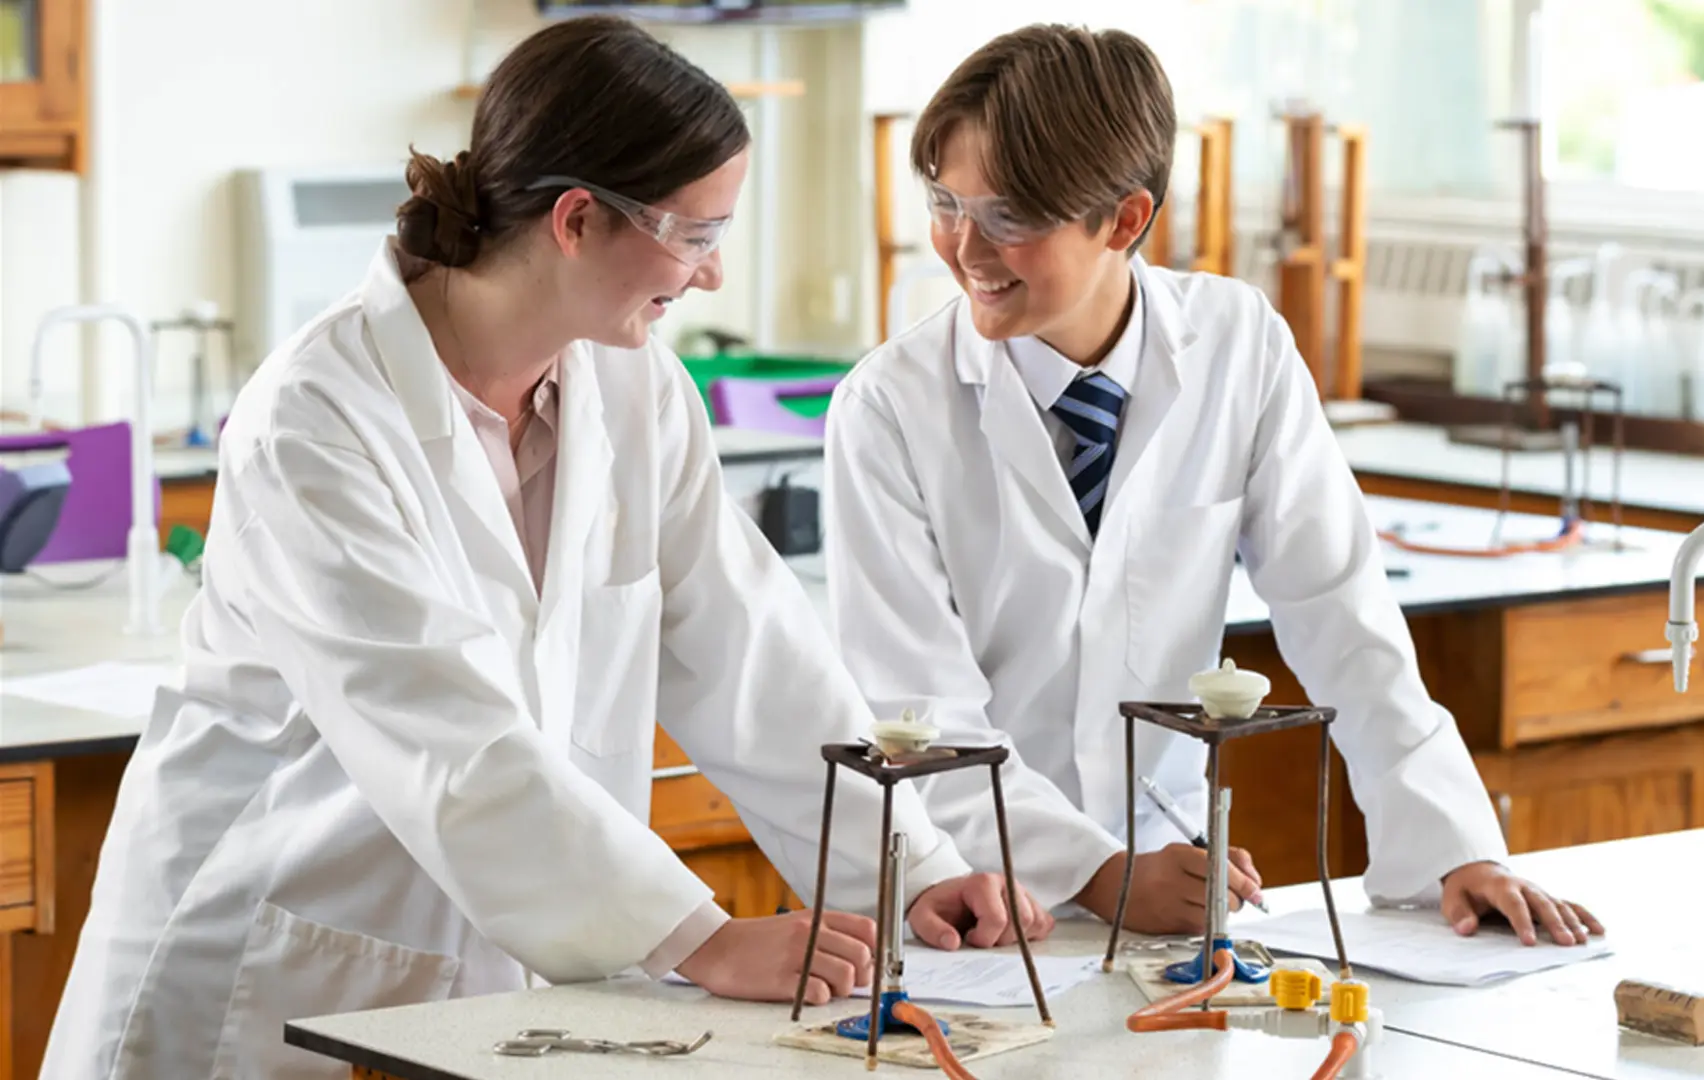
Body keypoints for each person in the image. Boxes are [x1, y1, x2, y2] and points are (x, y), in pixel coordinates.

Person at [40, 17, 1048, 1080]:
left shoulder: (633, 385)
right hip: (266, 966)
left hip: (486, 988)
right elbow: (446, 737)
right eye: (696, 236)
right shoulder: (318, 420)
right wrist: (698, 939)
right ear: (576, 221)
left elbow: (750, 650)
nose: (710, 276)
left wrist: (910, 871)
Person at [823, 23, 1603, 945]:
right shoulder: (887, 406)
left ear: (1123, 219)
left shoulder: (1240, 345)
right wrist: (1098, 873)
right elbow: (920, 714)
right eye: (947, 203)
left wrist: (1454, 848)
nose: (965, 247)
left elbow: (1341, 610)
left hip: (1170, 889)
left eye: (1011, 218)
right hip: (975, 892)